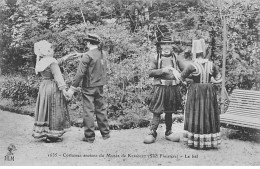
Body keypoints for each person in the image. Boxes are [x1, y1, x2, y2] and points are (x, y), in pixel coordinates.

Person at [67, 34, 110, 143]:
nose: (86, 43)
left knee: (88, 111)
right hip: (100, 86)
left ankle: (89, 137)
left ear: (89, 43)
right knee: (101, 109)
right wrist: (81, 54)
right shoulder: (103, 53)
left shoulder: (87, 56)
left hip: (89, 87)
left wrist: (72, 88)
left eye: (87, 42)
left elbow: (80, 74)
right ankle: (105, 133)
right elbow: (95, 57)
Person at [179, 40, 222, 149]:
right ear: (204, 52)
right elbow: (219, 79)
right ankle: (209, 141)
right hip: (209, 91)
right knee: (208, 112)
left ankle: (196, 141)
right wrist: (210, 82)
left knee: (196, 112)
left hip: (196, 92)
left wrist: (189, 82)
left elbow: (181, 78)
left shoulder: (191, 66)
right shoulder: (212, 65)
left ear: (194, 52)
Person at [32, 40, 78, 143]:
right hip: (53, 87)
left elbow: (56, 62)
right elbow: (58, 76)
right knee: (54, 109)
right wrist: (65, 90)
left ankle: (44, 132)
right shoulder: (52, 61)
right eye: (51, 49)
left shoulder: (42, 61)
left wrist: (68, 56)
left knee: (45, 109)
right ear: (48, 50)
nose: (53, 50)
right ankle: (53, 135)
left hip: (44, 87)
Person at [143, 36, 183, 144]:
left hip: (172, 88)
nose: (166, 46)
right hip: (159, 88)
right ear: (160, 46)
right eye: (164, 44)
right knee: (157, 111)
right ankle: (152, 132)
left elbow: (185, 70)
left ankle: (169, 132)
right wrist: (163, 70)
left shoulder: (176, 58)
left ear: (172, 45)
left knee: (169, 111)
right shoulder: (156, 57)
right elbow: (150, 72)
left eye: (168, 44)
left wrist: (180, 76)